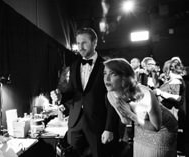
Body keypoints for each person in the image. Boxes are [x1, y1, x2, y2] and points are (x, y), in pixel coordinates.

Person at [50, 28, 119, 157]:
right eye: (78, 43)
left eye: (84, 43)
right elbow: (73, 92)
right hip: (75, 124)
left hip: (98, 125)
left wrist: (109, 128)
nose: (80, 47)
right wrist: (61, 96)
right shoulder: (75, 65)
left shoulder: (107, 67)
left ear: (94, 43)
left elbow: (113, 100)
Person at [103, 58, 178, 157]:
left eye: (113, 74)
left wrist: (130, 113)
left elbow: (156, 127)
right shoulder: (111, 95)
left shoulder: (144, 94)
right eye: (104, 73)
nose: (106, 79)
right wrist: (125, 112)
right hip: (141, 127)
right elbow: (125, 121)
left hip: (163, 129)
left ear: (125, 77)